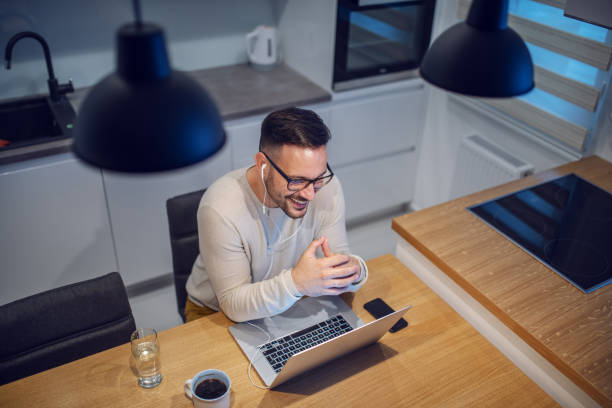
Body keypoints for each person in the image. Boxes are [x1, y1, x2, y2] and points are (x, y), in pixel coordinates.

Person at [184, 107, 368, 322]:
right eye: (297, 180)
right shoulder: (220, 208)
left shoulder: (327, 187)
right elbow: (233, 304)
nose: (310, 194)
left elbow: (338, 257)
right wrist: (297, 282)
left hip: (291, 299)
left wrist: (354, 270)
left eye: (318, 177)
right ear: (263, 164)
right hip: (217, 314)